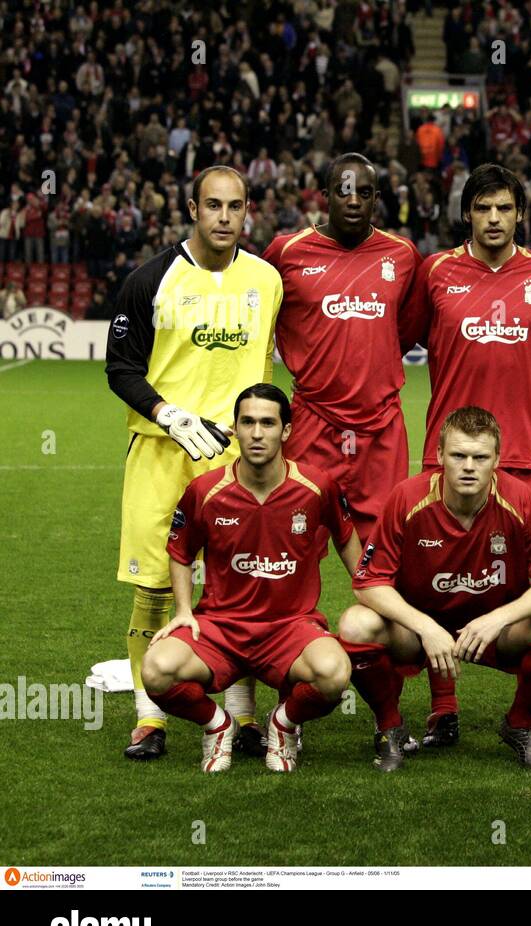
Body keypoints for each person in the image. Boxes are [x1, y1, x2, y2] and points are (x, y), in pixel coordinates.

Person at [106, 165, 283, 762]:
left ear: (247, 209)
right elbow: (120, 368)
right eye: (213, 205)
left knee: (242, 588)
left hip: (237, 460)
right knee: (154, 588)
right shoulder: (149, 280)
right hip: (162, 452)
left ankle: (244, 717)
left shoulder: (266, 279)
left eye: (235, 206)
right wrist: (170, 415)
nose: (225, 217)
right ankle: (149, 717)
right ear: (192, 208)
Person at [260, 152, 427, 767]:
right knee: (287, 565)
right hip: (313, 432)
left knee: (388, 576)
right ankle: (288, 701)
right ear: (324, 194)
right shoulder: (286, 251)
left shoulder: (402, 256)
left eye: (366, 192)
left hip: (381, 432)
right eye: (344, 190)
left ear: (378, 197)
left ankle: (400, 716)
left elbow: (405, 332)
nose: (354, 200)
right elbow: (261, 319)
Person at [410, 163, 531, 751]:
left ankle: (528, 712)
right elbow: (404, 336)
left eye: (504, 208)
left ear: (519, 213)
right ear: (467, 214)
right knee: (432, 583)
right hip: (446, 454)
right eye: (483, 208)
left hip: (526, 454)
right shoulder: (437, 272)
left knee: (528, 586)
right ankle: (442, 707)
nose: (494, 219)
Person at [338, 407, 531, 772]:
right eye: (458, 455)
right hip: (419, 634)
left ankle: (519, 722)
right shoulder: (406, 498)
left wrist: (498, 619)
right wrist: (426, 627)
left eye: (480, 457)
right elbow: (368, 583)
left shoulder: (522, 500)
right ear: (438, 456)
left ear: (497, 459)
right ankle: (390, 727)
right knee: (356, 624)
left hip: (493, 633)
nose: (469, 466)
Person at [140, 384, 356, 772]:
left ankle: (284, 723)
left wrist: (367, 596)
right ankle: (217, 725)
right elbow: (180, 551)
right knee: (157, 669)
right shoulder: (205, 490)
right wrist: (184, 611)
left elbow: (346, 539)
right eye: (249, 422)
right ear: (236, 429)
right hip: (221, 628)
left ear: (286, 431)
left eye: (268, 423)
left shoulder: (316, 486)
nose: (257, 433)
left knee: (334, 673)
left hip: (290, 627)